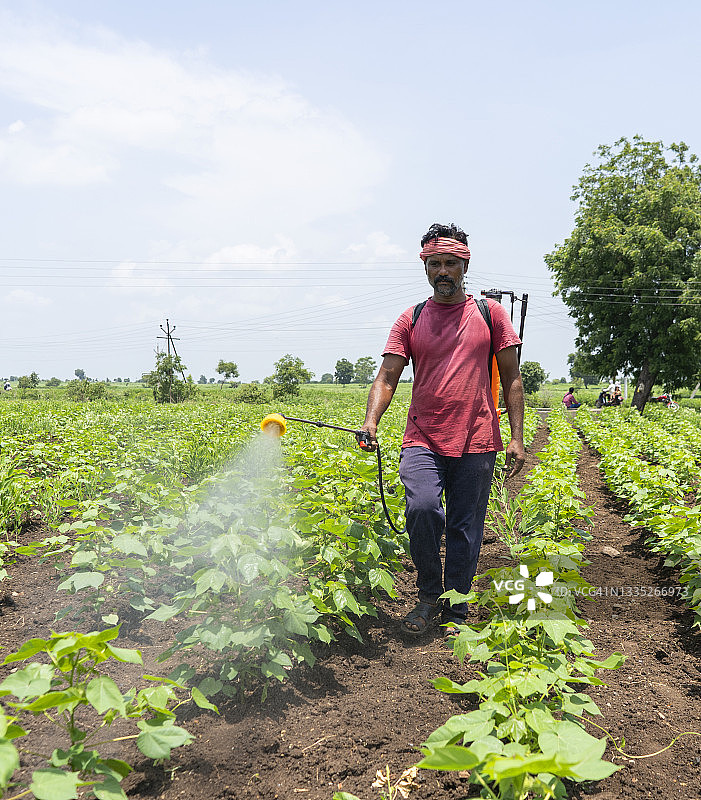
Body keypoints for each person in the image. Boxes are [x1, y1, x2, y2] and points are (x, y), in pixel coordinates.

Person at [361, 222, 525, 636]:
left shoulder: (491, 315)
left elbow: (512, 378)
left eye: (451, 263)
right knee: (422, 510)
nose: (443, 271)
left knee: (465, 529)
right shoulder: (411, 318)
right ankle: (428, 595)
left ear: (465, 265)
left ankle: (456, 611)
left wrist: (518, 438)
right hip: (422, 437)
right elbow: (387, 376)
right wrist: (371, 421)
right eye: (435, 264)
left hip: (478, 438)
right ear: (426, 268)